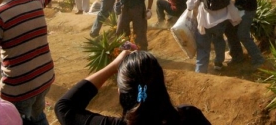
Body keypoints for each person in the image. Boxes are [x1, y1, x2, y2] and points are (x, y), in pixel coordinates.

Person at [54, 50, 211, 124]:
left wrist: (114, 66)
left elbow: (64, 108)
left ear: (121, 92)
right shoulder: (190, 117)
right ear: (161, 84)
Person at [187, 0, 241, 73]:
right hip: (223, 20)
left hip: (206, 22)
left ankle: (201, 70)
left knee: (203, 47)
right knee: (219, 39)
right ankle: (218, 64)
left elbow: (189, 5)